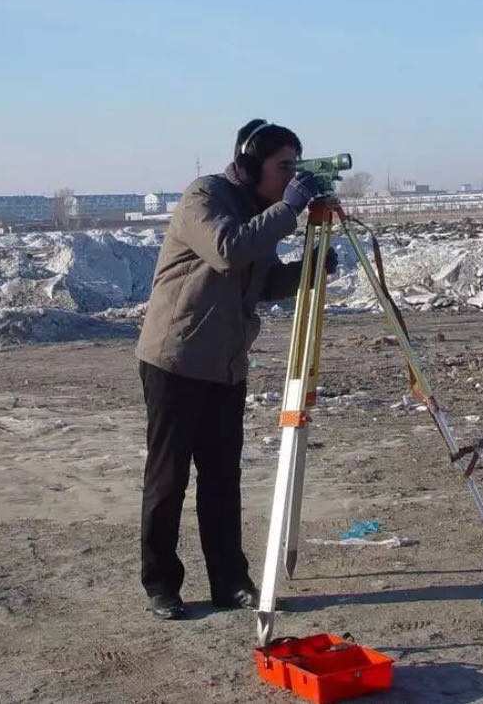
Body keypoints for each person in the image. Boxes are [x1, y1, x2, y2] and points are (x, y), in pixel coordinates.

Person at [134, 119, 336, 619]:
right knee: (168, 478)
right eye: (283, 167)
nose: (289, 178)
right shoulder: (204, 197)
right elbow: (227, 251)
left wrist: (310, 267)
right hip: (176, 358)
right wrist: (289, 209)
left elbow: (259, 282)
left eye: (294, 168)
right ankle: (161, 584)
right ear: (249, 165)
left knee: (222, 478)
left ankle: (230, 581)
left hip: (225, 364)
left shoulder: (259, 213)